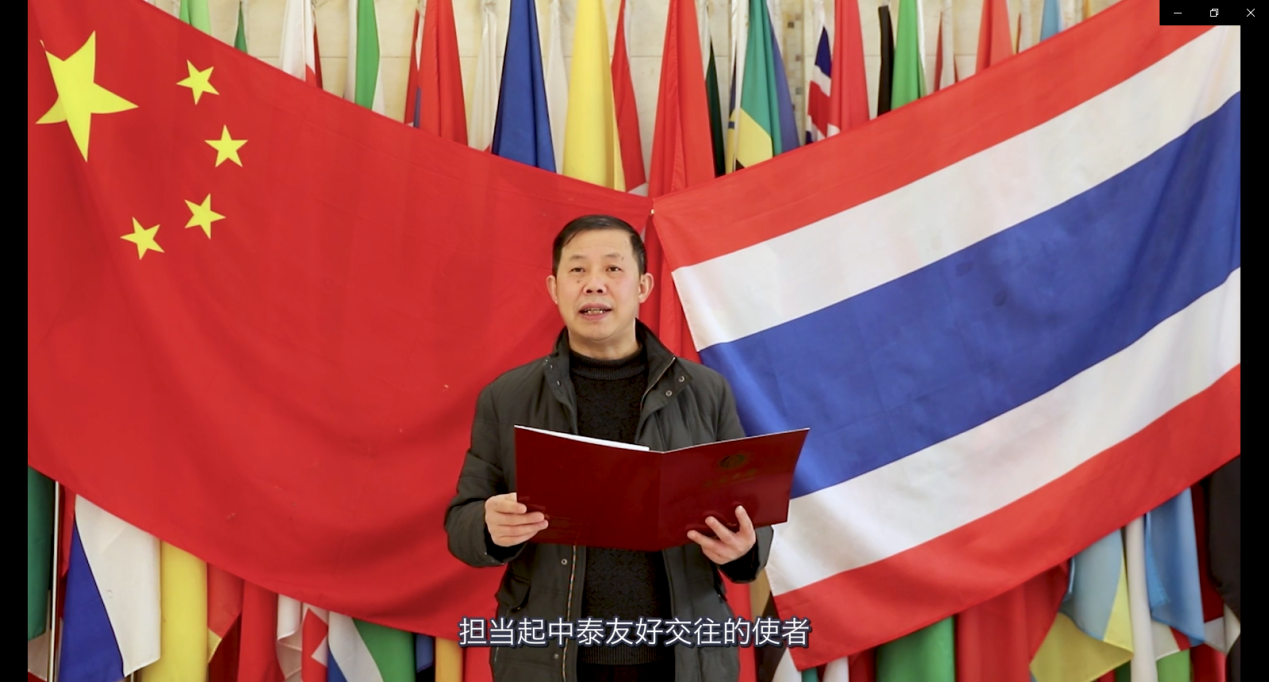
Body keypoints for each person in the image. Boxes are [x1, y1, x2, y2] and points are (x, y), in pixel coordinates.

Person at [445, 215, 772, 682]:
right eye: (577, 270)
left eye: (613, 269)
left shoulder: (705, 391)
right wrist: (488, 526)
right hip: (551, 660)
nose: (594, 284)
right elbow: (461, 523)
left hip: (683, 658)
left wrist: (743, 547)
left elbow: (751, 516)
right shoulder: (507, 397)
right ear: (554, 288)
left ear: (643, 286)